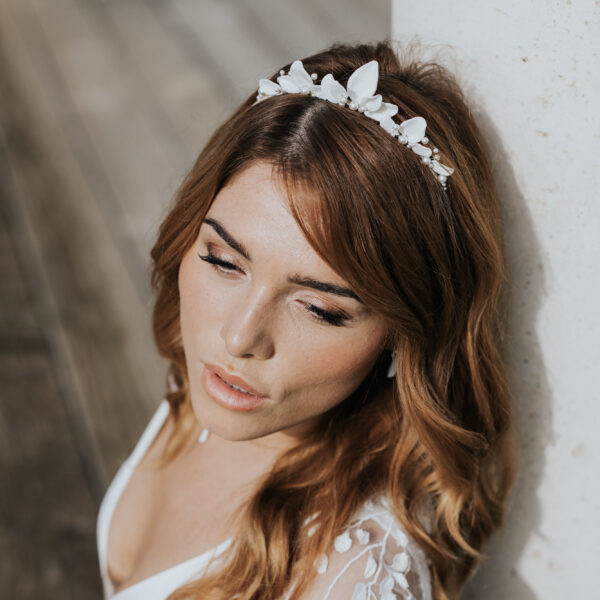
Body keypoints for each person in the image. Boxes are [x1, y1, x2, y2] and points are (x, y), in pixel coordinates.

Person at [96, 39, 516, 600]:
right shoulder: (210, 385)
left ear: (402, 335)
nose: (239, 335)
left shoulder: (351, 580)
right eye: (224, 261)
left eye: (319, 308)